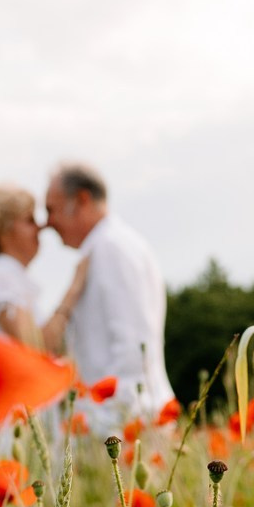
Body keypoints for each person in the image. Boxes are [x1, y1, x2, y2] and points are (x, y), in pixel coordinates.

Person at [44, 161, 173, 430]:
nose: (48, 223)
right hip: (119, 418)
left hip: (125, 424)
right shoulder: (110, 246)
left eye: (51, 209)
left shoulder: (111, 249)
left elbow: (132, 343)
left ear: (81, 199)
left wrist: (105, 422)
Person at [0, 183, 86, 461]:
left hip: (19, 420)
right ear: (3, 230)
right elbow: (35, 343)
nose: (41, 228)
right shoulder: (0, 278)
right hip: (7, 427)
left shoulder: (11, 278)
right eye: (30, 220)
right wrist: (74, 289)